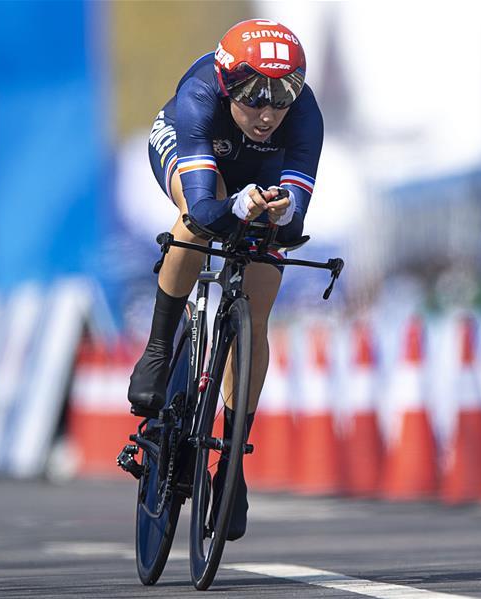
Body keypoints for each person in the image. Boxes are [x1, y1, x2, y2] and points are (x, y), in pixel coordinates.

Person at [128, 18, 324, 541]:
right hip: (201, 161)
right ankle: (158, 345)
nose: (267, 112)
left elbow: (296, 221)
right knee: (191, 223)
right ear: (225, 83)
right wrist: (234, 207)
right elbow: (206, 210)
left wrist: (280, 213)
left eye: (282, 96)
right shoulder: (198, 98)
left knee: (257, 306)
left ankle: (233, 462)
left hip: (258, 178)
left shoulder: (305, 119)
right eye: (253, 94)